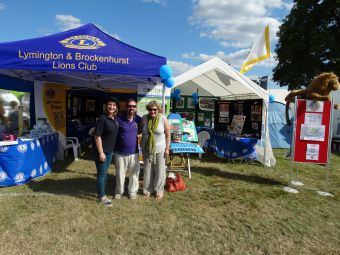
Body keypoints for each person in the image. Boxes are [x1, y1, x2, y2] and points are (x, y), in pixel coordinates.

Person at [140, 100, 170, 200]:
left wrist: (167, 149)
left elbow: (168, 134)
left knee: (160, 170)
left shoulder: (163, 119)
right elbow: (140, 130)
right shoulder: (144, 118)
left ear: (158, 109)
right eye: (150, 109)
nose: (152, 111)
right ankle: (147, 190)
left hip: (160, 148)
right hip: (147, 148)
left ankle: (159, 190)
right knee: (147, 170)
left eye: (155, 109)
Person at [113, 99, 141, 200]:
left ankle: (132, 191)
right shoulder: (118, 119)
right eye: (129, 106)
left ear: (136, 108)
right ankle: (119, 191)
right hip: (120, 152)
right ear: (126, 107)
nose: (131, 108)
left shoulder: (138, 119)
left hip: (134, 152)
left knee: (134, 173)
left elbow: (142, 131)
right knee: (120, 173)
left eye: (133, 106)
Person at [93, 98, 119, 206]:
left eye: (114, 105)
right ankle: (102, 196)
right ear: (106, 106)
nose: (111, 107)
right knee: (102, 174)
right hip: (102, 151)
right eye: (109, 104)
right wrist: (101, 152)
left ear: (116, 107)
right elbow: (97, 136)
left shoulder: (114, 119)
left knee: (104, 173)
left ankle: (102, 192)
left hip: (109, 151)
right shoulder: (102, 118)